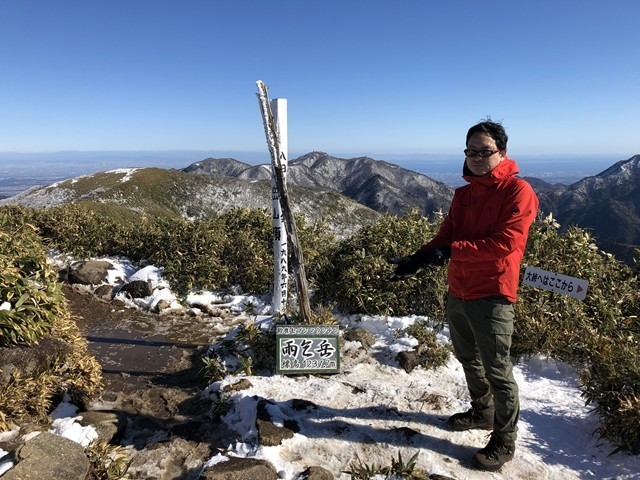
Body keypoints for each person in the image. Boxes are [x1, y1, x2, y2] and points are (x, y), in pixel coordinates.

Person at [388, 119, 539, 471]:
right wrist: (420, 257)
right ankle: (483, 412)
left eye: (484, 151)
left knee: (497, 369)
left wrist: (450, 252)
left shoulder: (519, 193)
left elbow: (506, 244)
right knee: (468, 357)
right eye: (470, 151)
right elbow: (446, 235)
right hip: (459, 289)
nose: (476, 157)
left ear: (502, 152)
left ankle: (504, 440)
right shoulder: (464, 194)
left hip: (493, 293)